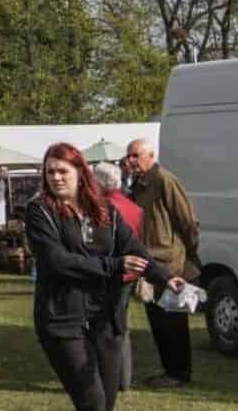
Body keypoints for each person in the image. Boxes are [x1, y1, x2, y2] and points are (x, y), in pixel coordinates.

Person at [27, 143, 182, 411]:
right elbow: (57, 261)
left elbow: (132, 247)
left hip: (105, 318)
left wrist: (164, 277)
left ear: (79, 171)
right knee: (93, 402)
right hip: (62, 318)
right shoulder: (40, 211)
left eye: (62, 171)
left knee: (107, 402)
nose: (56, 177)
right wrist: (115, 266)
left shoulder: (105, 210)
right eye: (50, 172)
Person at [126, 138, 201, 390]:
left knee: (173, 322)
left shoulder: (164, 180)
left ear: (151, 155)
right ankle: (170, 370)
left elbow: (188, 221)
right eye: (129, 156)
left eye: (135, 156)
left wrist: (184, 254)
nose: (130, 161)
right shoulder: (138, 185)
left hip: (169, 262)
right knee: (158, 320)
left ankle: (179, 372)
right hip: (149, 262)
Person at [94, 161, 142, 392]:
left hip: (111, 271)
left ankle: (115, 378)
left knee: (110, 326)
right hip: (130, 273)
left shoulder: (105, 208)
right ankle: (123, 377)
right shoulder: (133, 207)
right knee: (120, 323)